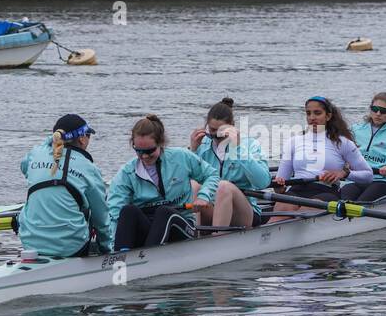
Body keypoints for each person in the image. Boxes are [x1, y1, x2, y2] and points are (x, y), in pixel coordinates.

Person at [107, 114, 231, 250]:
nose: (144, 156)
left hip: (181, 224)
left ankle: (149, 260)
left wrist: (203, 196)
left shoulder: (182, 157)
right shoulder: (127, 172)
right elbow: (114, 213)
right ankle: (119, 257)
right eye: (139, 151)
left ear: (161, 143)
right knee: (127, 211)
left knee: (164, 212)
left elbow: (211, 175)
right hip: (148, 225)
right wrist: (110, 246)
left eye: (149, 151)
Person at [18, 114, 113, 257]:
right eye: (88, 135)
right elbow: (101, 218)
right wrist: (107, 249)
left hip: (29, 243)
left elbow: (24, 167)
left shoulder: (36, 154)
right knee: (89, 207)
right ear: (82, 138)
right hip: (71, 248)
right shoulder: (89, 169)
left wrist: (51, 140)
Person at [269, 96, 372, 219]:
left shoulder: (342, 143)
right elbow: (281, 186)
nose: (312, 118)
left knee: (304, 212)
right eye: (308, 113)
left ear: (328, 116)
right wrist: (279, 187)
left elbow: (368, 175)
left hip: (326, 192)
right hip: (297, 190)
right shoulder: (293, 142)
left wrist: (344, 174)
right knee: (283, 208)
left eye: (317, 113)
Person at [189, 97, 272, 228]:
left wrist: (238, 149)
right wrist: (192, 151)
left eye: (221, 131)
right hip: (212, 209)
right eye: (212, 130)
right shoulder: (201, 146)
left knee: (224, 186)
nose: (215, 136)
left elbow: (262, 182)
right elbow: (180, 185)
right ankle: (194, 235)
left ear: (232, 126)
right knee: (193, 185)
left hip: (244, 213)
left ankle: (218, 239)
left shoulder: (249, 145)